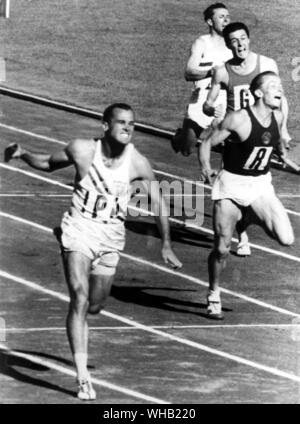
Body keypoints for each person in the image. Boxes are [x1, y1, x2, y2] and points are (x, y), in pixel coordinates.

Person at [4, 103, 182, 400]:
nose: (128, 128)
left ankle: (84, 333)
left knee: (96, 306)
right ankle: (82, 377)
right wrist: (23, 155)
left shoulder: (137, 163)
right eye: (122, 123)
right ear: (105, 126)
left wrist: (166, 243)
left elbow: (159, 203)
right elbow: (48, 163)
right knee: (79, 296)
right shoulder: (83, 150)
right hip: (79, 230)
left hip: (111, 238)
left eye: (132, 124)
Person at [199, 71, 298, 320]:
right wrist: (206, 169)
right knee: (222, 248)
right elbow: (207, 144)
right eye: (273, 85)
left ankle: (248, 217)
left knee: (286, 239)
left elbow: (280, 151)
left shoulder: (278, 114)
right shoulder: (238, 119)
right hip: (231, 186)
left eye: (281, 85)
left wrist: (294, 164)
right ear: (258, 93)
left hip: (260, 186)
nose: (280, 89)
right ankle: (214, 294)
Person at [202, 21, 293, 256]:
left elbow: (280, 98)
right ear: (228, 45)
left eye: (243, 38)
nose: (240, 44)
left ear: (249, 39)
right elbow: (209, 102)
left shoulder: (266, 64)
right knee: (235, 181)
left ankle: (244, 225)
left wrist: (282, 130)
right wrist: (211, 109)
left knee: (253, 178)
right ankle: (242, 236)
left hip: (261, 130)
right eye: (234, 41)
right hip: (235, 134)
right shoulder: (222, 71)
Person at [171, 2, 232, 156]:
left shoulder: (233, 43)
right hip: (202, 97)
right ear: (210, 22)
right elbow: (189, 72)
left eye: (227, 17)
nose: (226, 20)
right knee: (186, 148)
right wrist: (213, 71)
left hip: (225, 97)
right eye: (221, 17)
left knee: (229, 142)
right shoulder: (201, 43)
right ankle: (180, 136)